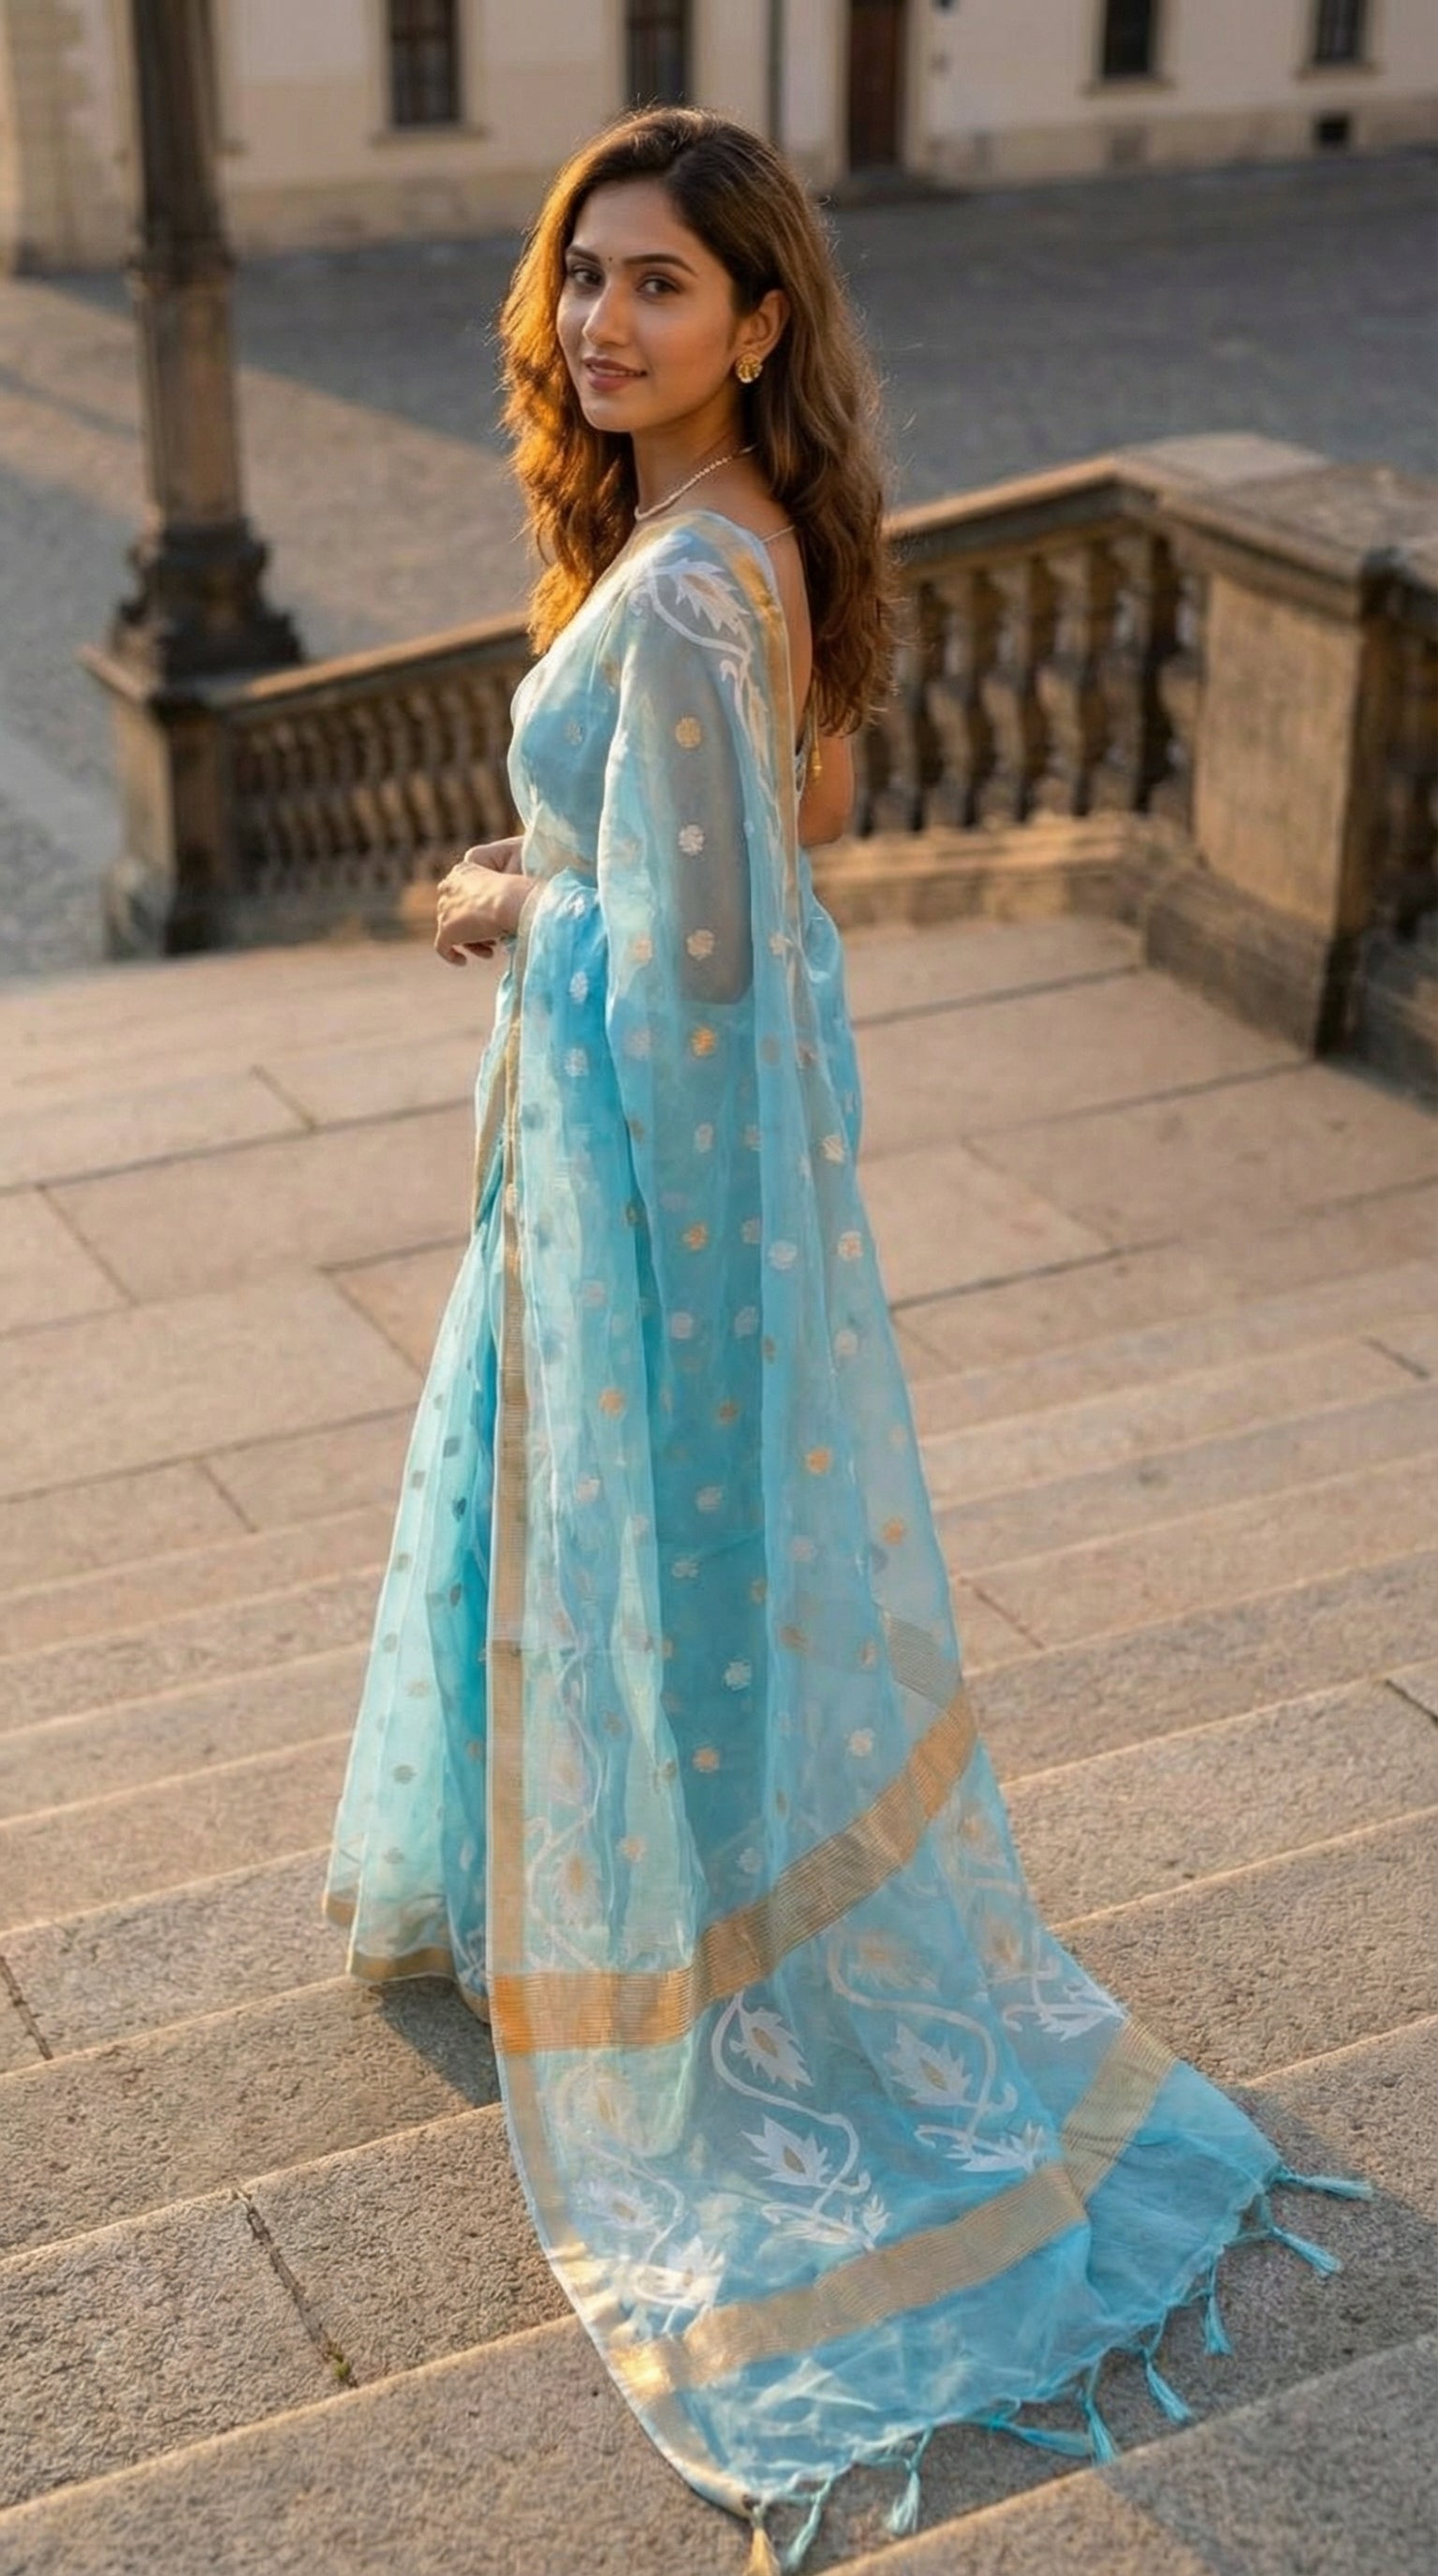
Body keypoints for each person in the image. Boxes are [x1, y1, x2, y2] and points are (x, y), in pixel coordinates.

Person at [322, 107, 1371, 2573]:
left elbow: (684, 972)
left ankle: (694, 1989)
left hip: (638, 1201)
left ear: (762, 321)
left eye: (662, 285)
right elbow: (765, 877)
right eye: (584, 275)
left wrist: (500, 889)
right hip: (661, 1187)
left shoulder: (687, 593)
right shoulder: (739, 550)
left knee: (640, 1595)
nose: (603, 321)